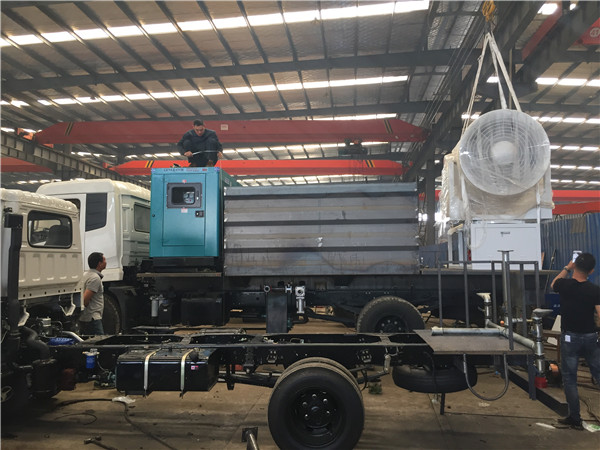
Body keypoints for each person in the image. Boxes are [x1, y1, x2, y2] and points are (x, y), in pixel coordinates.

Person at [551, 252, 600, 430]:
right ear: (591, 271)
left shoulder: (564, 285)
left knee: (570, 379)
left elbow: (553, 283)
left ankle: (575, 418)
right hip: (590, 337)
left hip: (570, 338)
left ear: (575, 266)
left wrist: (567, 268)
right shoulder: (595, 290)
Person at [79, 252, 107, 335]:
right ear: (99, 264)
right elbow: (85, 300)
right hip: (93, 318)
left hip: (86, 317)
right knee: (100, 340)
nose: (106, 262)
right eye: (104, 260)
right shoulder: (95, 278)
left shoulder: (86, 275)